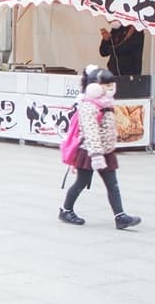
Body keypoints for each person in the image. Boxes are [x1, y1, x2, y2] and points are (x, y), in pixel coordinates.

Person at [59, 66, 142, 230]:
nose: (110, 88)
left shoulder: (107, 103)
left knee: (113, 184)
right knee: (81, 183)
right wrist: (96, 154)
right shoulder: (89, 105)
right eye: (106, 84)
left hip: (106, 151)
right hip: (90, 152)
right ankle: (66, 210)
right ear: (95, 86)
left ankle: (120, 217)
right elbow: (90, 131)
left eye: (111, 84)